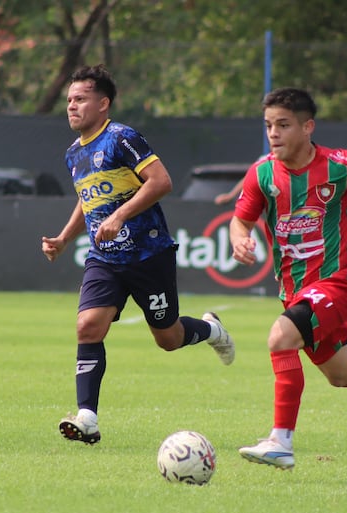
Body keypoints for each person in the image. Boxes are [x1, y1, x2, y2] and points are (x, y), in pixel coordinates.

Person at [229, 87, 347, 470]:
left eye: (283, 125)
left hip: (341, 279)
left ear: (307, 127)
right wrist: (240, 239)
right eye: (269, 125)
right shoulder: (262, 174)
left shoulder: (342, 165)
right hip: (295, 291)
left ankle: (280, 442)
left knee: (280, 337)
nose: (273, 133)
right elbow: (241, 219)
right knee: (341, 374)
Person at [41, 64, 235, 444]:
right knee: (87, 326)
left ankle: (211, 330)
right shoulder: (73, 155)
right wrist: (65, 238)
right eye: (68, 100)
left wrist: (120, 214)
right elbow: (87, 201)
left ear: (103, 103)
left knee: (168, 338)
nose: (71, 106)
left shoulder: (121, 137)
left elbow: (161, 181)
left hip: (149, 255)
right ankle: (87, 417)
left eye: (80, 99)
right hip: (105, 258)